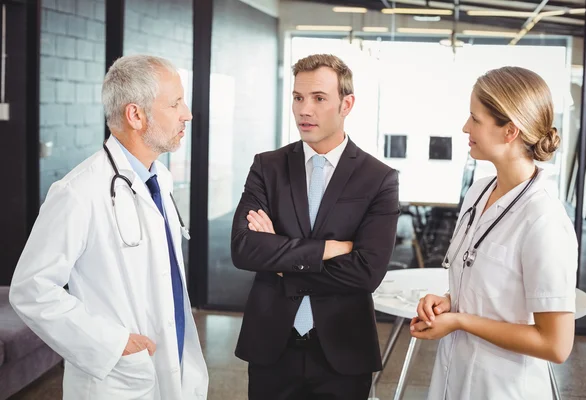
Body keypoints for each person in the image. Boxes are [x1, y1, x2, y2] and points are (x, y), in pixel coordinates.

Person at [9, 55, 208, 400]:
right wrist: (114, 345)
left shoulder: (159, 177)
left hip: (171, 360)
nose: (187, 113)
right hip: (120, 378)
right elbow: (32, 289)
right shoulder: (78, 192)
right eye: (175, 103)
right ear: (136, 115)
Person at [230, 53, 400, 400]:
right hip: (271, 346)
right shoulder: (268, 166)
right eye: (298, 97)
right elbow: (244, 247)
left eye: (319, 98)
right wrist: (326, 250)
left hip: (343, 349)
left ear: (346, 104)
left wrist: (281, 261)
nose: (304, 110)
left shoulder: (379, 178)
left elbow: (366, 272)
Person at [410, 66, 577, 400]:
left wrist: (460, 321)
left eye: (475, 119)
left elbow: (556, 345)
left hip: (505, 388)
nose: (465, 127)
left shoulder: (543, 218)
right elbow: (488, 288)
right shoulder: (479, 191)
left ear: (510, 131)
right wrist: (447, 303)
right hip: (453, 378)